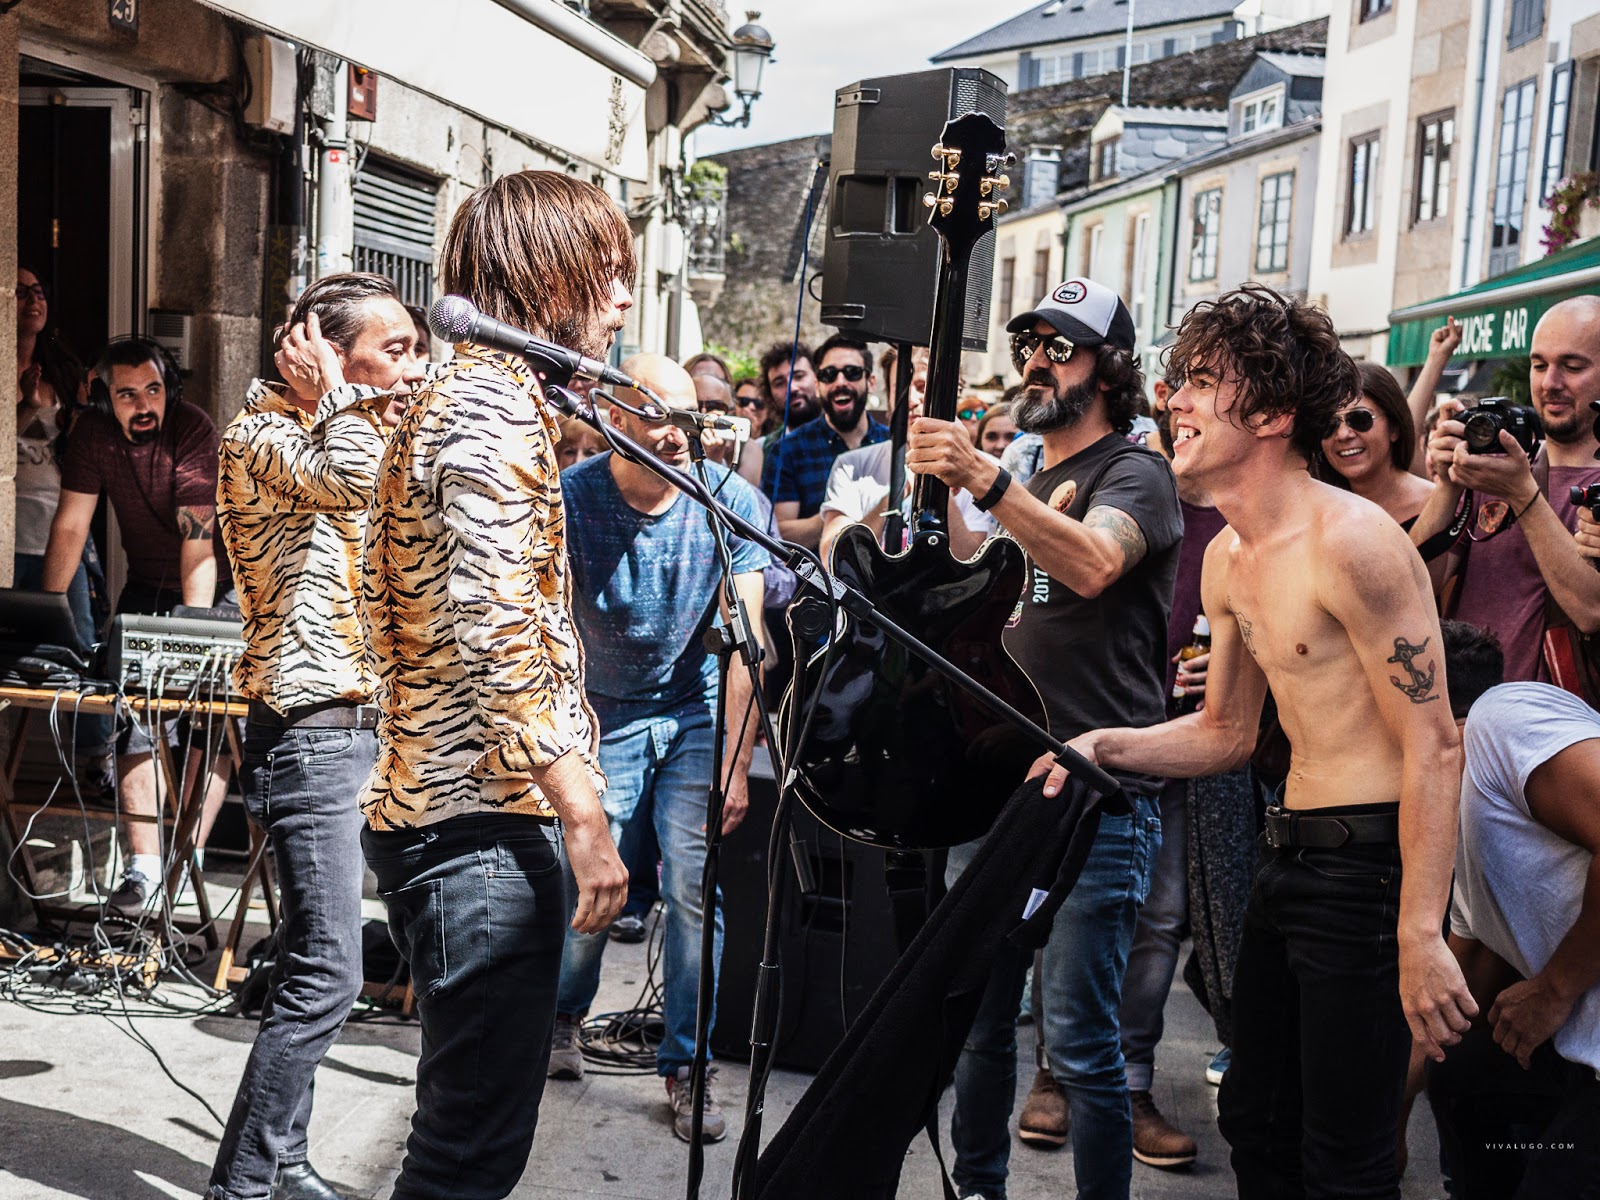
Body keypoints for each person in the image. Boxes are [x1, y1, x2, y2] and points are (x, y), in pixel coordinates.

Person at [1035, 284, 1475, 1200]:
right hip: (1287, 859)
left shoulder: (1354, 543)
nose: (1175, 399)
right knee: (1256, 1123)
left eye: (1203, 382)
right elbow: (1227, 733)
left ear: (1273, 415)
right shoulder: (1228, 557)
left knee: (1345, 1157)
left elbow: (1436, 747)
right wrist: (1105, 745)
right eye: (1179, 380)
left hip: (1369, 870)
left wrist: (1420, 933)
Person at [358, 170, 630, 1200]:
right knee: (467, 1156)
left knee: (465, 1141)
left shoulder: (476, 395)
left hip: (452, 811)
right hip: (469, 825)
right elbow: (499, 633)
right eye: (607, 271)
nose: (621, 296)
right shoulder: (486, 409)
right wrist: (583, 815)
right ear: (549, 274)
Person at [908, 276, 1182, 1200]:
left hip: (1093, 794)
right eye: (1029, 343)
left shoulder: (1134, 472)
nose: (1036, 361)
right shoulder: (1031, 476)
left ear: (1110, 368)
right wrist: (932, 492)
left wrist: (986, 479)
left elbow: (1095, 563)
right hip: (1000, 784)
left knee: (1079, 1042)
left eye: (1060, 347)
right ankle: (978, 1190)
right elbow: (983, 589)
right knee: (979, 1023)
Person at [209, 272, 423, 1200]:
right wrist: (340, 398)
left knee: (316, 956)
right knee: (330, 972)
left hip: (367, 732)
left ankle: (284, 1162)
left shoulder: (355, 427)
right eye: (397, 350)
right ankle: (244, 1184)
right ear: (327, 355)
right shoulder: (263, 435)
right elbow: (347, 484)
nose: (413, 368)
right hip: (312, 736)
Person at [549, 354, 769, 1143]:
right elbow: (549, 630)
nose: (677, 434)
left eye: (687, 418)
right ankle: (563, 1017)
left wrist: (735, 766)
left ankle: (688, 1066)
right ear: (613, 418)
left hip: (694, 708)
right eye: (657, 417)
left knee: (693, 885)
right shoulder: (571, 500)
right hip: (601, 710)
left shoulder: (728, 500)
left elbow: (748, 644)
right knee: (596, 881)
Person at [41, 335, 230, 912]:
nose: (145, 404)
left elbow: (198, 543)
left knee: (207, 720)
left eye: (154, 389)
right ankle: (143, 870)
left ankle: (186, 862)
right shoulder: (92, 437)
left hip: (217, 587)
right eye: (128, 394)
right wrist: (48, 619)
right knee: (135, 716)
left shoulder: (193, 429)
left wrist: (193, 635)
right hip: (146, 584)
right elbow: (70, 526)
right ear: (104, 399)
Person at [1428, 677, 1600, 1200]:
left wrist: (1554, 988)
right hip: (1579, 1058)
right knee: (1461, 1070)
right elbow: (1449, 1003)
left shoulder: (1503, 719)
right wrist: (1386, 1123)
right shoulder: (1464, 839)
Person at [1410, 297, 1600, 683]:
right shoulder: (1496, 464)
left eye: (1572, 367)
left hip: (1557, 714)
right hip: (1463, 707)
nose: (1550, 383)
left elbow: (1591, 610)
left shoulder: (1519, 478)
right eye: (1539, 365)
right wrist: (1448, 484)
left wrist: (1521, 495)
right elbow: (1413, 586)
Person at [817, 343, 988, 566]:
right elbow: (832, 558)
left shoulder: (983, 470)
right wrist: (893, 496)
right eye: (901, 389)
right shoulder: (852, 466)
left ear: (952, 397)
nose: (911, 399)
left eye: (922, 387)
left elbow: (970, 560)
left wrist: (939, 488)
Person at [14, 267, 95, 650]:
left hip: (58, 536)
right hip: (9, 540)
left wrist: (81, 413)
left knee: (77, 647)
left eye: (39, 291)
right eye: (19, 292)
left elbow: (80, 457)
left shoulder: (62, 372)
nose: (33, 300)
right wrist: (27, 407)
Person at [764, 333, 888, 550]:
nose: (840, 382)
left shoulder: (892, 444)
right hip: (817, 571)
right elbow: (776, 532)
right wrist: (837, 514)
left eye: (852, 372)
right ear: (817, 384)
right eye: (828, 375)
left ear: (871, 382)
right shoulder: (788, 450)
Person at [1316, 362, 1435, 527]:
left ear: (1393, 427)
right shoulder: (1317, 515)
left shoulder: (1443, 505)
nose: (1343, 435)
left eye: (1360, 419)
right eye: (1329, 424)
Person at [747, 341, 818, 493]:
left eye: (799, 376)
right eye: (779, 383)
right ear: (769, 395)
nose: (792, 388)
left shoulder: (843, 436)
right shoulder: (763, 449)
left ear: (817, 378)